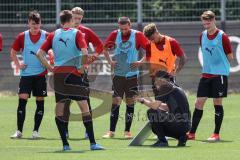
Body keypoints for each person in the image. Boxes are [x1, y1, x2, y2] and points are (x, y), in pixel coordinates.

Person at [36, 10, 104, 151]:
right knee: (84, 108)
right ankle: (92, 143)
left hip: (59, 76)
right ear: (71, 20)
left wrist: (51, 68)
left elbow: (39, 54)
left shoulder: (53, 34)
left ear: (61, 21)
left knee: (60, 110)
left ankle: (65, 145)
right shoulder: (77, 33)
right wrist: (81, 67)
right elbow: (85, 51)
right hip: (74, 74)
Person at [187, 10, 233, 142]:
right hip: (206, 74)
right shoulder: (202, 36)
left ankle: (216, 134)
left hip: (219, 75)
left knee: (217, 102)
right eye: (204, 23)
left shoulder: (223, 36)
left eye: (208, 23)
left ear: (214, 20)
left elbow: (230, 56)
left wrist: (219, 66)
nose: (206, 25)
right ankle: (191, 133)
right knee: (198, 102)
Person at [102, 17, 149, 139]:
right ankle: (111, 131)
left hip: (132, 75)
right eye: (121, 29)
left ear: (130, 25)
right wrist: (110, 62)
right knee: (116, 101)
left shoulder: (137, 35)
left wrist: (140, 62)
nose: (123, 31)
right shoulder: (114, 34)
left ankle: (127, 131)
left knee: (130, 102)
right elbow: (104, 49)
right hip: (118, 75)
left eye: (126, 29)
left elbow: (149, 50)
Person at [63, 6, 104, 139]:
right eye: (75, 18)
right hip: (66, 71)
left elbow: (100, 45)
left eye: (79, 18)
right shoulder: (62, 32)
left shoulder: (86, 31)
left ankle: (88, 131)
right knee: (65, 101)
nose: (77, 21)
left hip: (81, 71)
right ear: (70, 17)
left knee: (85, 100)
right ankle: (65, 130)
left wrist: (94, 56)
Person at [10, 10, 49, 139]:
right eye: (33, 24)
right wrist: (18, 64)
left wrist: (50, 61)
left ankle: (35, 132)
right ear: (28, 23)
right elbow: (13, 52)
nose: (35, 27)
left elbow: (54, 50)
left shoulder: (47, 36)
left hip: (41, 75)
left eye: (37, 25)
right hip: (26, 75)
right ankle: (19, 131)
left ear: (40, 24)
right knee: (22, 101)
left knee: (40, 102)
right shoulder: (22, 36)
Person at [136, 70, 191, 147]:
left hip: (179, 123)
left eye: (155, 80)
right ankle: (181, 137)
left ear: (161, 79)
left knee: (152, 112)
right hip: (186, 125)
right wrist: (153, 103)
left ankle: (162, 141)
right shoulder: (174, 86)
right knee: (156, 119)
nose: (154, 83)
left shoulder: (165, 86)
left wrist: (142, 100)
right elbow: (168, 108)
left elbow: (154, 107)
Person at [143, 23, 187, 100]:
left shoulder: (171, 42)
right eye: (150, 39)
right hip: (156, 78)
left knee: (170, 102)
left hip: (168, 77)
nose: (152, 41)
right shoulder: (148, 45)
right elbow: (148, 60)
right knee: (158, 103)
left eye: (153, 38)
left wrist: (175, 72)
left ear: (156, 32)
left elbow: (183, 58)